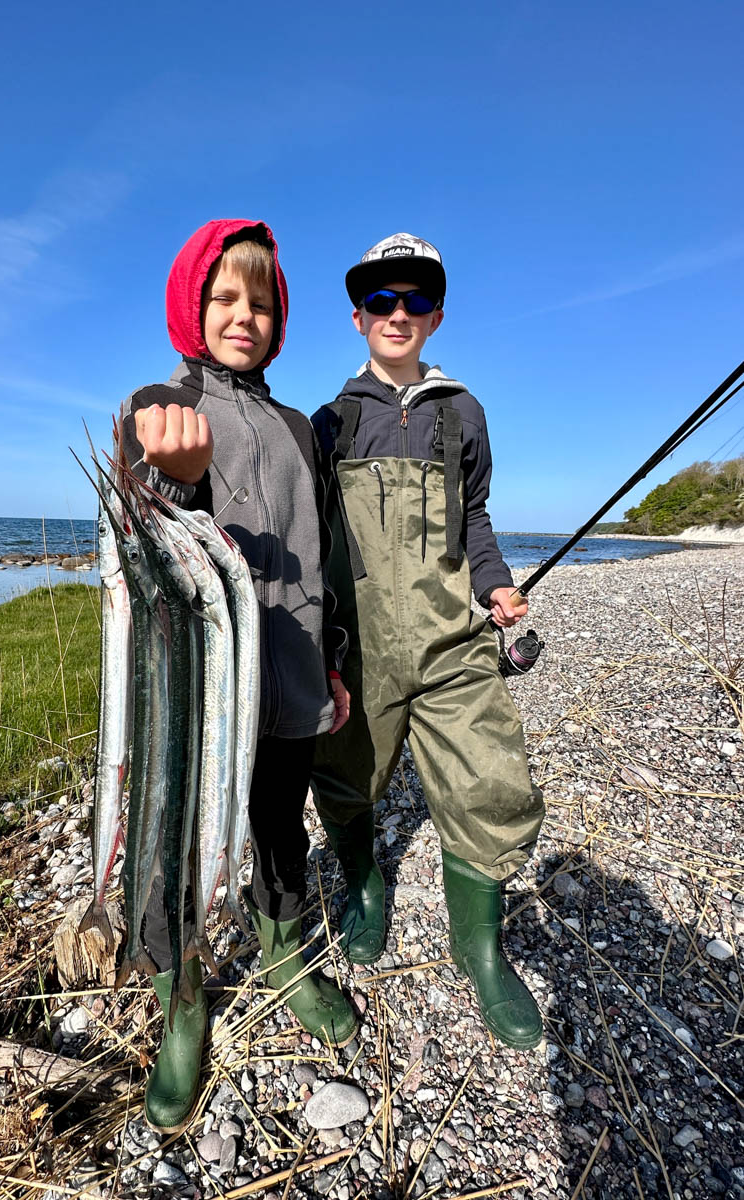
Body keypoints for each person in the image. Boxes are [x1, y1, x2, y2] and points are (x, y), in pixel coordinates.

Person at [120, 218, 356, 1133]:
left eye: (261, 301)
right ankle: (183, 999)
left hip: (293, 671)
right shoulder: (159, 402)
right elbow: (142, 544)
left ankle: (284, 947)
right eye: (224, 297)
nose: (243, 315)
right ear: (192, 305)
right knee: (180, 842)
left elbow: (324, 551)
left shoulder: (299, 428)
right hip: (198, 690)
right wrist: (173, 479)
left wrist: (334, 659)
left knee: (281, 823)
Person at [311, 233, 545, 1049]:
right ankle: (365, 886)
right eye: (382, 300)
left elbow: (473, 520)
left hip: (454, 641)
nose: (398, 313)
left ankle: (479, 948)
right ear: (358, 317)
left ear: (437, 314)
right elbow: (311, 537)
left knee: (492, 783)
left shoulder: (464, 412)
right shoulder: (329, 422)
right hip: (361, 646)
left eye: (414, 300)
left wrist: (497, 584)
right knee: (346, 777)